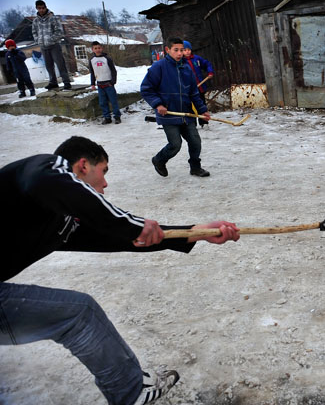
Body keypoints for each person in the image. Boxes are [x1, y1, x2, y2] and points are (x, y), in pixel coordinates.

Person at [0, 136, 240, 405]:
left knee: (78, 314)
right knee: (80, 313)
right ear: (81, 166)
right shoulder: (46, 168)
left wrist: (196, 233)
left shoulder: (61, 222)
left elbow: (122, 238)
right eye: (102, 172)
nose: (105, 183)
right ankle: (129, 392)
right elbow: (48, 181)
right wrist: (134, 225)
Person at [141, 37, 211, 178]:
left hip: (186, 114)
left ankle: (195, 167)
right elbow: (146, 89)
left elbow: (194, 93)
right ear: (167, 50)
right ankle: (159, 160)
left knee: (195, 142)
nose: (180, 53)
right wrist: (158, 104)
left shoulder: (187, 69)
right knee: (175, 145)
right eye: (176, 50)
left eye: (182, 50)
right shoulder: (158, 67)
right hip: (168, 115)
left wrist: (202, 109)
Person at [31, 0, 72, 91]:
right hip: (43, 46)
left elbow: (59, 32)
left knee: (60, 64)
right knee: (49, 66)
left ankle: (66, 82)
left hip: (54, 45)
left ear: (45, 7)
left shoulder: (53, 18)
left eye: (42, 8)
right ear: (36, 8)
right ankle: (53, 82)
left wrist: (51, 39)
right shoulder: (35, 21)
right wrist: (38, 40)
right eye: (39, 8)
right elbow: (34, 32)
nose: (41, 10)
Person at [89, 41, 122, 124]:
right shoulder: (92, 60)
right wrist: (92, 83)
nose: (98, 50)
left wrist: (113, 82)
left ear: (102, 48)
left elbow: (113, 71)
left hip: (109, 84)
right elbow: (92, 72)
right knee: (102, 102)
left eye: (99, 48)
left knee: (113, 101)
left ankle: (117, 117)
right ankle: (107, 117)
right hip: (100, 85)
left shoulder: (107, 59)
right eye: (95, 48)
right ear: (92, 49)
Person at [182, 40, 214, 126]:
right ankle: (192, 123)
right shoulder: (181, 62)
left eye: (189, 49)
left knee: (201, 103)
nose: (187, 52)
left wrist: (210, 71)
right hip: (189, 89)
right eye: (185, 50)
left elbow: (207, 64)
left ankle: (203, 122)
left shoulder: (196, 59)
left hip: (200, 87)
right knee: (190, 106)